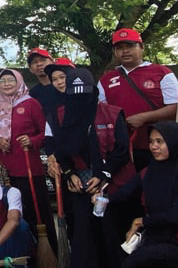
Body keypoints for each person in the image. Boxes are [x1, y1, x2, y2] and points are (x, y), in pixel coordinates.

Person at [46, 66, 137, 267]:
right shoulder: (59, 115)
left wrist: (103, 175)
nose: (79, 101)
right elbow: (61, 150)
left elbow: (122, 151)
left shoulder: (111, 114)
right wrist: (70, 173)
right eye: (74, 96)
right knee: (84, 240)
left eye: (83, 95)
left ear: (93, 91)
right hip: (79, 186)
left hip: (111, 185)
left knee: (112, 236)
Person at [111, 121, 178, 268]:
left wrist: (139, 222)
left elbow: (174, 216)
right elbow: (124, 193)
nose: (153, 147)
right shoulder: (151, 171)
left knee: (137, 261)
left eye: (160, 141)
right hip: (158, 236)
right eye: (151, 142)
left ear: (174, 143)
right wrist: (102, 199)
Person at [0, 69, 56, 252]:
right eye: (3, 81)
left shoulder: (31, 103)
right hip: (8, 173)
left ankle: (50, 255)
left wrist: (32, 141)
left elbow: (45, 134)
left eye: (11, 80)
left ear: (19, 82)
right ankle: (24, 255)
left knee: (39, 214)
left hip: (30, 170)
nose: (7, 84)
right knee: (16, 216)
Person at [98, 28, 178, 171]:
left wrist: (143, 117)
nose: (125, 51)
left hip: (160, 146)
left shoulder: (162, 72)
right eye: (119, 48)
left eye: (130, 46)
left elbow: (176, 108)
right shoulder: (106, 79)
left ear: (141, 47)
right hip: (123, 149)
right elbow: (101, 113)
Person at [25, 48, 58, 115]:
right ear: (30, 69)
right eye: (34, 62)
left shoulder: (64, 85)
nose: (39, 64)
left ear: (52, 63)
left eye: (43, 60)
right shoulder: (32, 95)